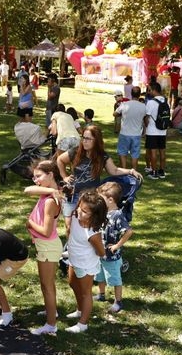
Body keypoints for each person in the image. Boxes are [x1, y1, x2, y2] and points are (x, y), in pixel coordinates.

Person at [57, 125, 140, 235]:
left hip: (90, 197)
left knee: (87, 227)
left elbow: (114, 170)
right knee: (69, 227)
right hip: (72, 195)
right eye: (83, 138)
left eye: (88, 139)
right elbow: (60, 160)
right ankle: (71, 249)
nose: (84, 141)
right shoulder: (76, 151)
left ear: (96, 140)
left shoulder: (102, 156)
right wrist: (65, 177)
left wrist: (130, 171)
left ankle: (85, 249)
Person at [24, 159, 63, 336]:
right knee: (48, 284)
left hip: (48, 246)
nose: (36, 181)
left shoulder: (50, 201)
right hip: (46, 246)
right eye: (34, 177)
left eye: (39, 176)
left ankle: (51, 325)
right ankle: (51, 311)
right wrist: (49, 189)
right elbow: (27, 190)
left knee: (46, 286)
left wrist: (30, 223)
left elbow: (46, 232)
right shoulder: (48, 194)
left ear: (51, 175)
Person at [62, 190, 107, 333]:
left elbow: (101, 252)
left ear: (95, 216)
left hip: (86, 265)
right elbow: (69, 229)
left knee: (85, 292)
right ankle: (80, 310)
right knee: (72, 284)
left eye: (85, 212)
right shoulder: (76, 217)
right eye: (80, 208)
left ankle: (83, 324)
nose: (80, 213)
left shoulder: (93, 233)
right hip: (73, 259)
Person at [94, 182, 133, 314]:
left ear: (110, 200)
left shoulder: (117, 215)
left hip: (112, 256)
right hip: (99, 252)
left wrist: (117, 245)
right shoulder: (103, 212)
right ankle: (101, 294)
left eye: (101, 199)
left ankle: (118, 301)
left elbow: (128, 231)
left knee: (115, 279)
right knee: (99, 275)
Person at [115, 86, 146, 169]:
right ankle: (134, 171)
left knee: (122, 153)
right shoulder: (143, 106)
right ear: (139, 95)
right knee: (135, 154)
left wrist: (121, 114)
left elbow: (115, 113)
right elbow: (145, 119)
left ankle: (123, 170)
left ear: (131, 94)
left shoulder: (125, 104)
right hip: (136, 133)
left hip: (124, 133)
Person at [144, 81, 168, 179]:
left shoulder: (151, 102)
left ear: (154, 90)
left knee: (153, 152)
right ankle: (162, 171)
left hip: (152, 131)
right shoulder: (165, 101)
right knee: (162, 151)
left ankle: (154, 172)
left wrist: (146, 126)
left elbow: (147, 117)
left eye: (150, 90)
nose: (149, 92)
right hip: (163, 130)